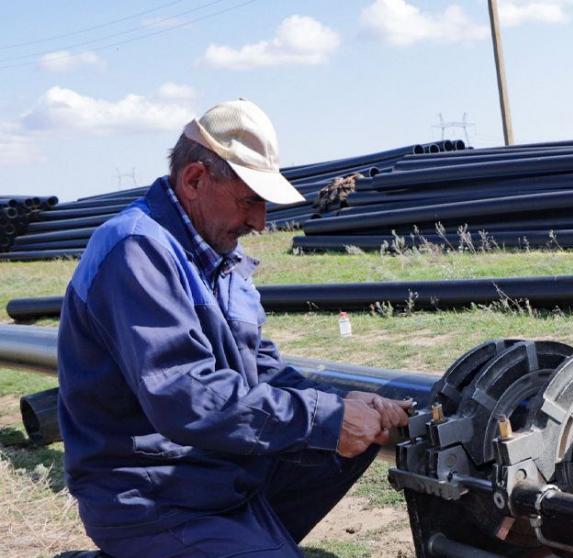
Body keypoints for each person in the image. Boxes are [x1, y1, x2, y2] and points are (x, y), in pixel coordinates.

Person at [57, 99, 411, 557]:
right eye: (249, 200)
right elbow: (183, 396)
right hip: (150, 492)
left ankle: (244, 540)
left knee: (353, 438)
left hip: (216, 471)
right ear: (195, 179)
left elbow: (262, 372)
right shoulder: (136, 250)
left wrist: (341, 406)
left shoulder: (216, 258)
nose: (259, 222)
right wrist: (324, 418)